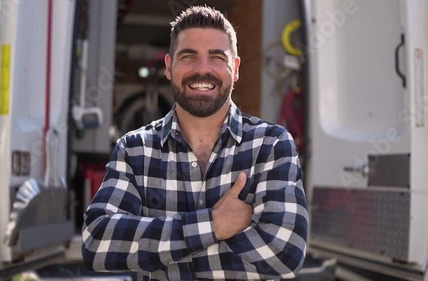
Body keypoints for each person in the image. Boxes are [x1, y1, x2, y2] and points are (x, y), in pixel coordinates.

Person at [82, 5, 308, 281]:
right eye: (188, 56)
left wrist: (156, 246)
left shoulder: (270, 145)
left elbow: (286, 253)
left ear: (235, 69)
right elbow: (98, 243)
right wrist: (215, 224)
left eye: (216, 57)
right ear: (169, 67)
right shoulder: (134, 149)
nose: (203, 70)